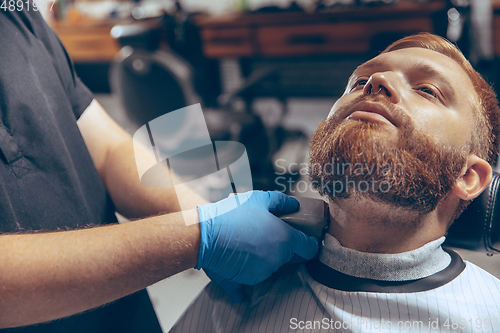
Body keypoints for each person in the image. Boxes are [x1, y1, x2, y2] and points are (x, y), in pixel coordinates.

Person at [0, 7, 319, 332]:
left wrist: (208, 213)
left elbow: (108, 151)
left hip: (120, 311)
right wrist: (199, 237)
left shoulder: (17, 17)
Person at [169, 32, 500, 333]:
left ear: (467, 176)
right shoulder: (243, 291)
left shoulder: (489, 313)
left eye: (427, 90)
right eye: (358, 82)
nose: (377, 81)